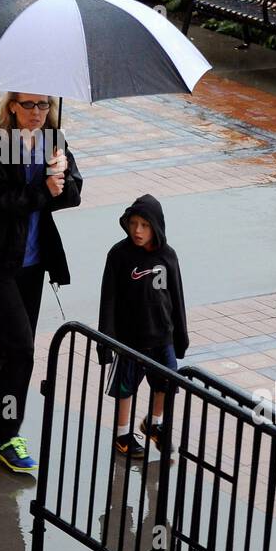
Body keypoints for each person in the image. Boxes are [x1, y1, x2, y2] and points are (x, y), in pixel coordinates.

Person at [0, 93, 82, 475]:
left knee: (8, 345)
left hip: (32, 265)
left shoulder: (54, 142)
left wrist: (61, 178)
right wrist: (44, 189)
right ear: (12, 105)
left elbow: (73, 195)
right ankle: (8, 436)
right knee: (22, 347)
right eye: (28, 105)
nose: (36, 113)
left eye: (43, 106)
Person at [97, 195, 189, 460]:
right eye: (133, 224)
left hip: (162, 336)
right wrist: (107, 341)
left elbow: (177, 297)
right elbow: (109, 299)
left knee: (167, 384)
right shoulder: (119, 254)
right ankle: (122, 435)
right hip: (129, 339)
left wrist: (180, 337)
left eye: (144, 225)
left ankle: (154, 424)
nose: (137, 230)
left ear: (156, 227)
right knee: (125, 388)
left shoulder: (167, 255)